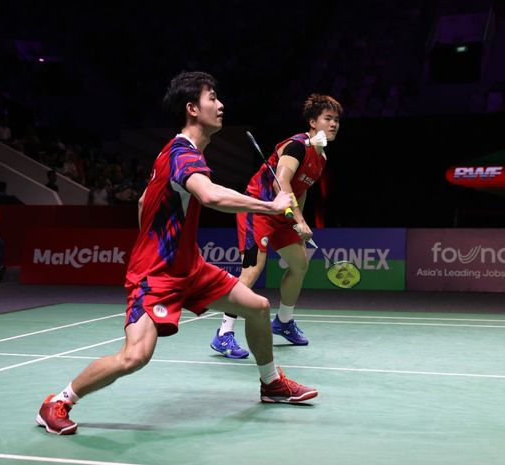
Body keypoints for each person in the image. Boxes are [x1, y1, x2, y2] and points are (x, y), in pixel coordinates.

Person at [36, 71, 317, 436]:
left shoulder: (180, 153)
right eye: (212, 98)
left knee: (259, 308)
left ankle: (271, 384)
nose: (221, 105)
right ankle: (58, 402)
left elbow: (143, 202)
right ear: (191, 108)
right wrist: (272, 206)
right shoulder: (182, 154)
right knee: (134, 357)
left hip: (190, 267)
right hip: (156, 274)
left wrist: (168, 239)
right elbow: (212, 196)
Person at [210, 94, 343, 358]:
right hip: (258, 208)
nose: (334, 124)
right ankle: (223, 334)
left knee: (300, 264)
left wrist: (296, 221)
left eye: (337, 120)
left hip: (283, 212)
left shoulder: (321, 157)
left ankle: (283, 321)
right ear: (312, 122)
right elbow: (279, 182)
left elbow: (300, 189)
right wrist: (302, 220)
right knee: (251, 270)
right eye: (328, 119)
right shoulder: (297, 146)